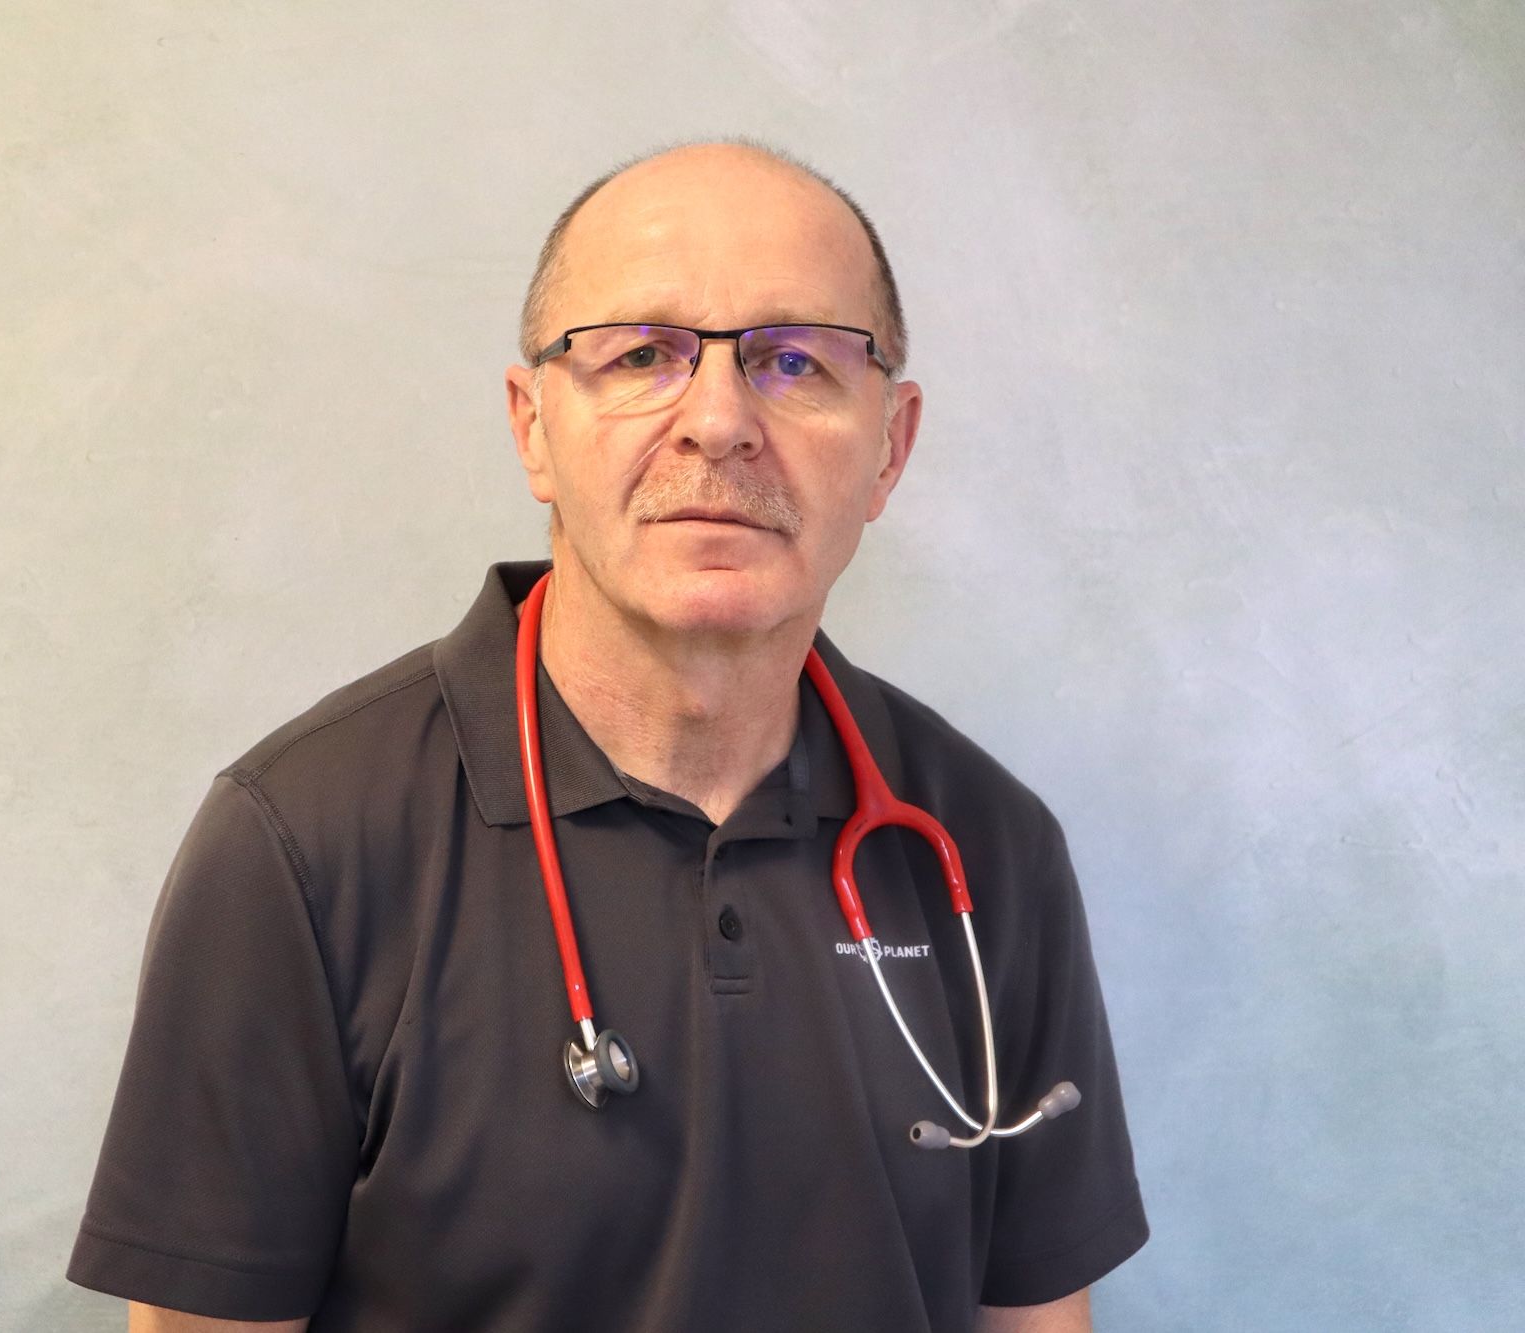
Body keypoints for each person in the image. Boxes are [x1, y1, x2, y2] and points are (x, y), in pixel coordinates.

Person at [67, 139, 1148, 1332]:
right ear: (532, 427)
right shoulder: (301, 846)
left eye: (794, 360)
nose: (718, 422)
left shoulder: (986, 848)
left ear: (888, 445)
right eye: (641, 354)